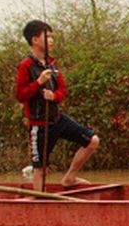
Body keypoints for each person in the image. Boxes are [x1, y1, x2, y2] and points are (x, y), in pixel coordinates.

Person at [15, 20, 99, 190]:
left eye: (51, 36)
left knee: (92, 141)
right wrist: (38, 82)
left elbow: (63, 91)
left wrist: (53, 96)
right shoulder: (26, 66)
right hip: (39, 124)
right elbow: (20, 95)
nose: (51, 40)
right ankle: (40, 205)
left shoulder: (52, 64)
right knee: (41, 169)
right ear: (35, 40)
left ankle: (70, 178)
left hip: (58, 118)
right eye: (47, 36)